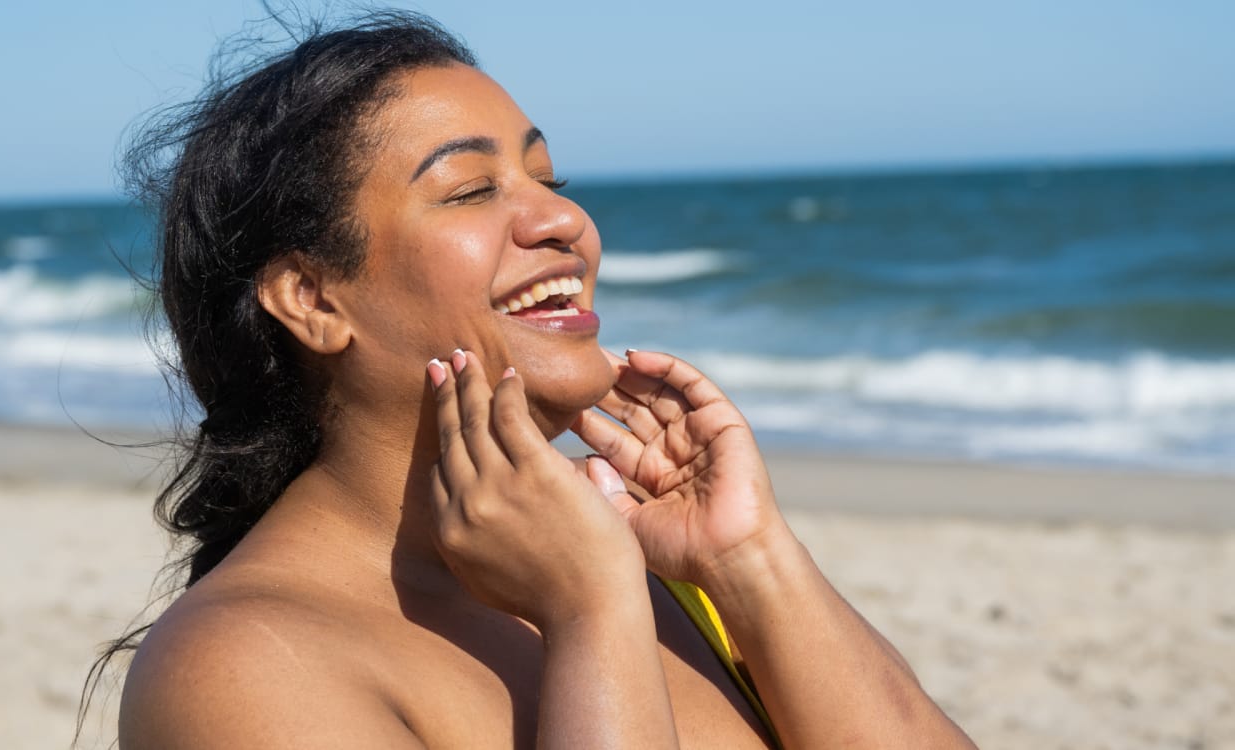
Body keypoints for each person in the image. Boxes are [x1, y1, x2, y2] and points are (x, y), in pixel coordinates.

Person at [106, 11, 975, 749]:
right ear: (312, 299)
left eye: (548, 179)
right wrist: (591, 619)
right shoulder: (242, 665)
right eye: (470, 190)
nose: (564, 219)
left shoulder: (645, 561)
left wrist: (749, 560)